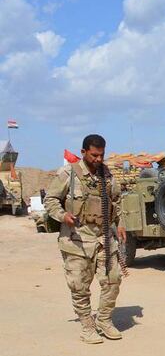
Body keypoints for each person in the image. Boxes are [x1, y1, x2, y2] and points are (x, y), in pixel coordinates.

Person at [44, 134, 125, 344]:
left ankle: (104, 320)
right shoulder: (68, 174)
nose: (98, 159)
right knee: (80, 286)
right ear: (83, 152)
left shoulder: (107, 175)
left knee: (113, 280)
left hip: (104, 239)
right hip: (77, 240)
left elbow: (117, 200)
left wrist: (121, 223)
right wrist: (63, 216)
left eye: (101, 155)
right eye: (94, 155)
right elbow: (51, 199)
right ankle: (87, 326)